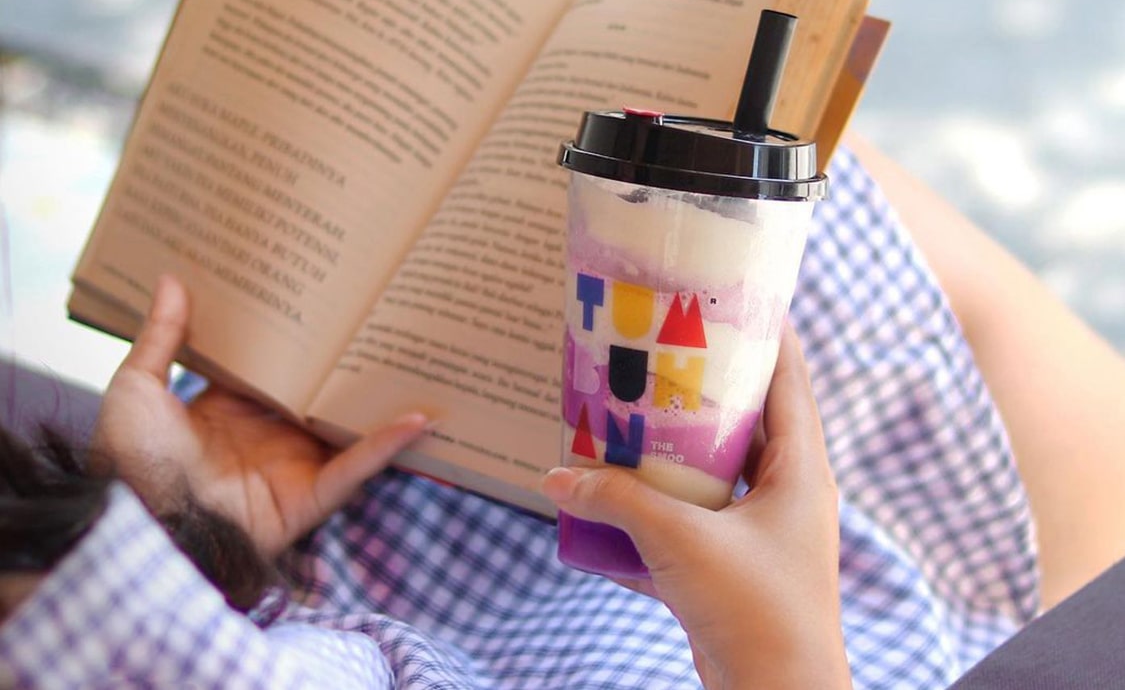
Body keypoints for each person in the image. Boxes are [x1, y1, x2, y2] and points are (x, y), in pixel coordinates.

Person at [3, 136, 1123, 688]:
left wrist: (176, 526)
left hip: (290, 558)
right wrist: (776, 651)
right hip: (728, 644)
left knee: (786, 207)